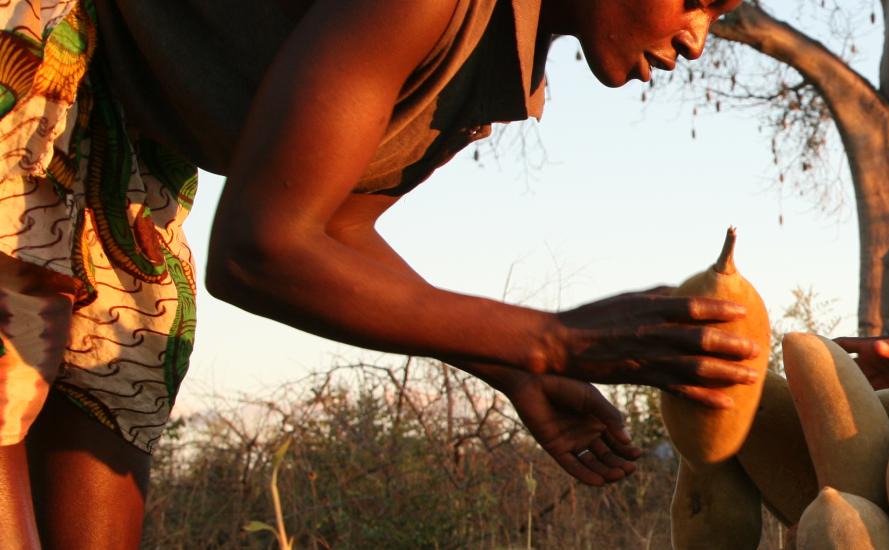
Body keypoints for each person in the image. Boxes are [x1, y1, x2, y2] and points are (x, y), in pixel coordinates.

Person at [0, 0, 756, 546]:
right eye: (695, 4)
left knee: (110, 397)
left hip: (133, 130)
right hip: (33, 45)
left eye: (717, 19)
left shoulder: (490, 76)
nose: (696, 40)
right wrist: (548, 341)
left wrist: (509, 364)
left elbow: (331, 232)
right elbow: (255, 251)